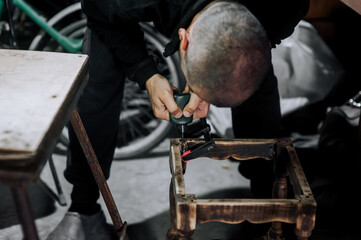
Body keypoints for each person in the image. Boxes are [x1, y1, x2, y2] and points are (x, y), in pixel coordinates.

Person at [46, 0, 309, 239]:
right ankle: (83, 207)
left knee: (249, 71)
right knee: (99, 68)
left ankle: (269, 202)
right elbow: (96, 7)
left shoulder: (284, 8)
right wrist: (147, 74)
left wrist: (206, 80)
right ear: (184, 40)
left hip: (257, 15)